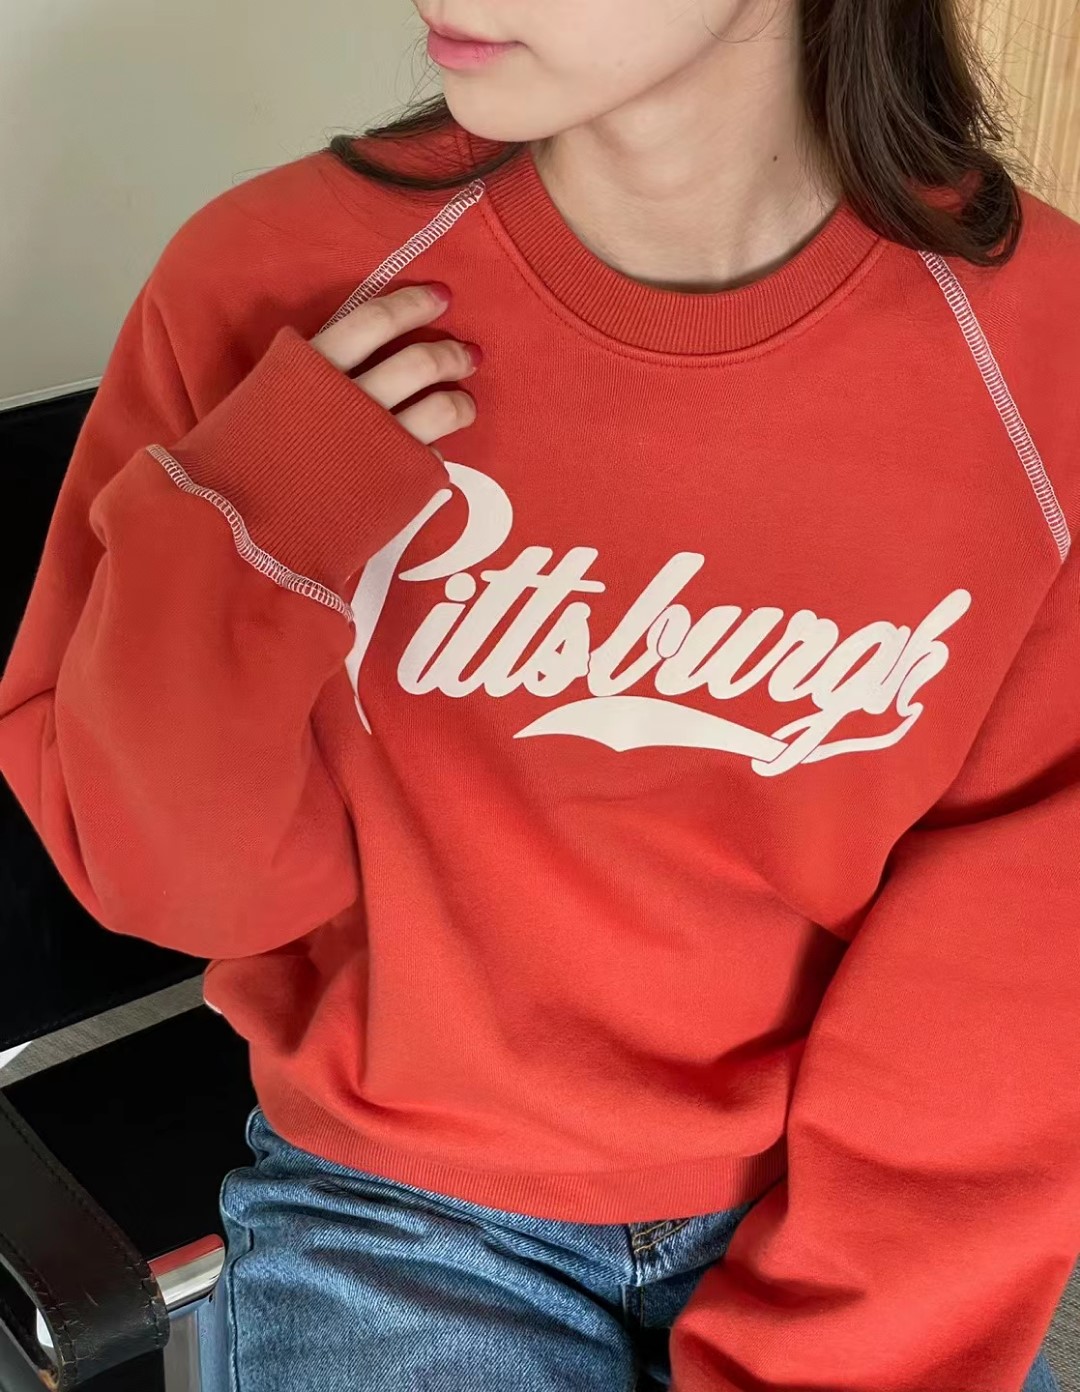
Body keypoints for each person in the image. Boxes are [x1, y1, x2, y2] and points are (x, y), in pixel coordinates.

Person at [1, 0, 1077, 1387]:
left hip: (852, 1207)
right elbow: (170, 888)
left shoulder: (1043, 361)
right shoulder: (274, 277)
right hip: (399, 1205)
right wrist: (255, 529)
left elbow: (1010, 988)